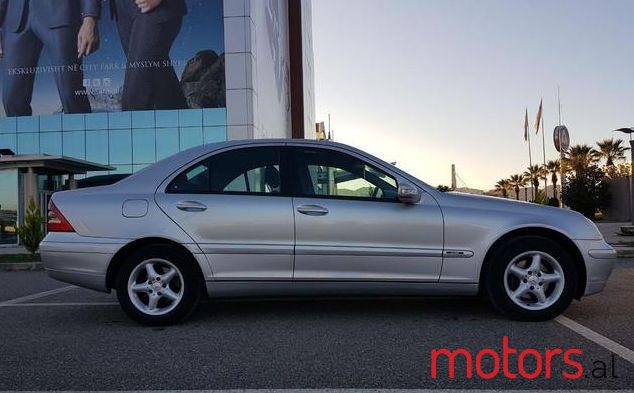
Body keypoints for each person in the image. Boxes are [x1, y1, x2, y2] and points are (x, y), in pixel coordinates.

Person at [0, 0, 100, 117]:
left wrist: (90, 17)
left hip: (60, 15)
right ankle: (24, 135)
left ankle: (82, 134)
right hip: (15, 19)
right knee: (11, 99)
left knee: (71, 94)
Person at [110, 0, 188, 110]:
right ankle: (187, 123)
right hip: (123, 11)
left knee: (135, 93)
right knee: (162, 87)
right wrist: (90, 17)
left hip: (158, 9)